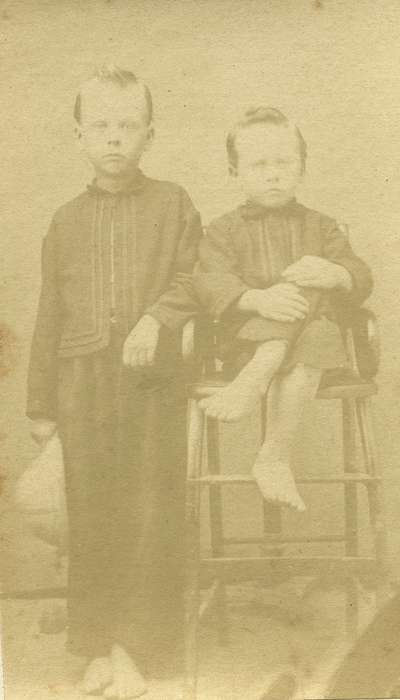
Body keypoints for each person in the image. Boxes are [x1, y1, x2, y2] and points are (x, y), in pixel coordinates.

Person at [26, 65, 202, 698]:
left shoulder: (172, 202)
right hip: (81, 382)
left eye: (128, 126)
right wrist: (40, 404)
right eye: (100, 126)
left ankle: (139, 649)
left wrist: (156, 318)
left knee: (151, 513)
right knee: (93, 513)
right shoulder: (66, 219)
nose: (114, 138)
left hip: (151, 382)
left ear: (150, 135)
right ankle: (97, 645)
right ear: (78, 135)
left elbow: (195, 278)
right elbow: (50, 311)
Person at [194, 107, 372, 512]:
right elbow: (210, 282)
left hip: (314, 355)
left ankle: (273, 453)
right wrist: (257, 299)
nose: (273, 174)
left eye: (283, 162)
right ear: (234, 172)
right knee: (310, 307)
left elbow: (359, 274)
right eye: (258, 164)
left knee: (318, 297)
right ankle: (270, 429)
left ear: (302, 167)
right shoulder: (223, 231)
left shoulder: (322, 227)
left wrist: (335, 273)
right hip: (243, 352)